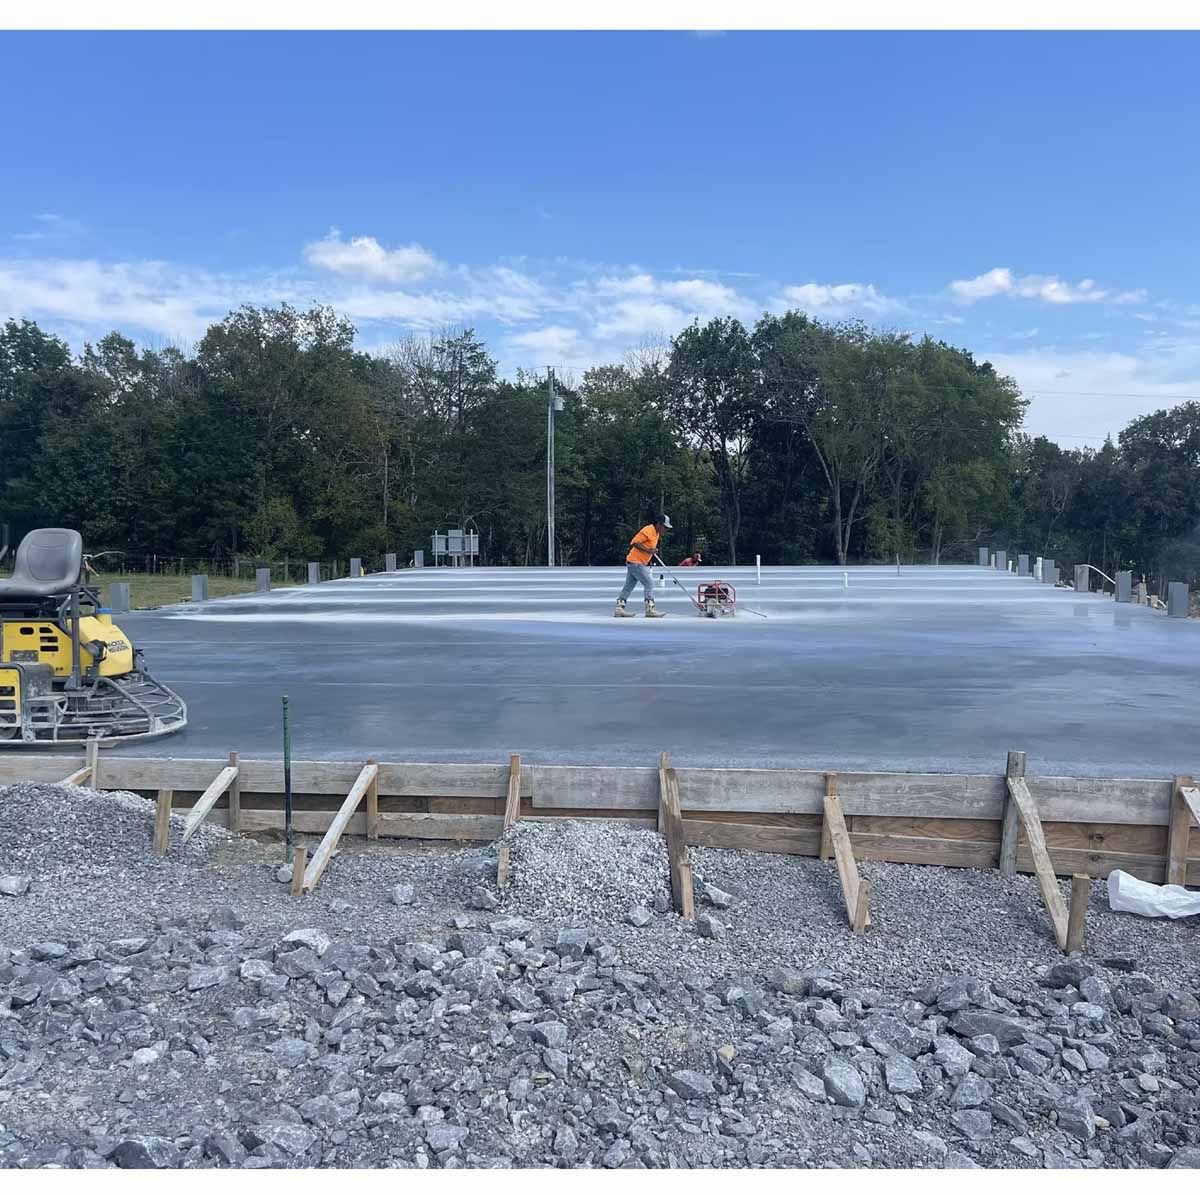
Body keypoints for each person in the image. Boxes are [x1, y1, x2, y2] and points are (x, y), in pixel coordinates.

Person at [614, 514, 671, 618]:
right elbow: (634, 542)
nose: (666, 529)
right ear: (658, 524)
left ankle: (619, 608)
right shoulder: (648, 530)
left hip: (635, 562)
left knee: (628, 586)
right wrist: (649, 550)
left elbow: (648, 546)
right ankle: (650, 609)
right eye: (665, 527)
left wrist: (652, 551)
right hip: (636, 562)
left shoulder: (656, 533)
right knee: (649, 583)